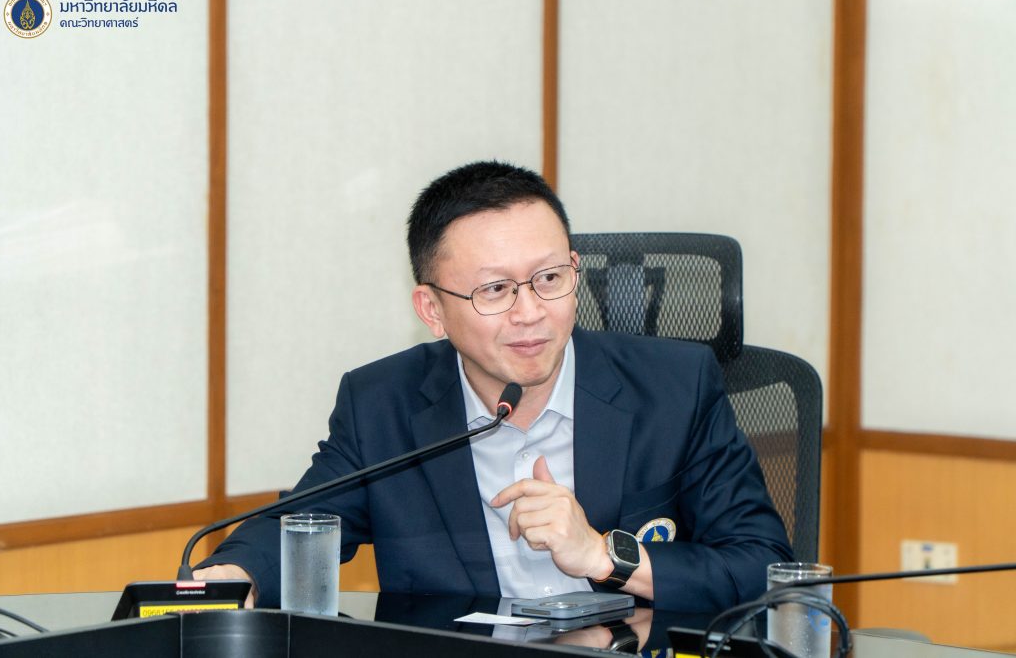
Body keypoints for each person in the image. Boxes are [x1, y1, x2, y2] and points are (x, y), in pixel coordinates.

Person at [194, 160, 792, 611]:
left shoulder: (674, 389)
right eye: (495, 290)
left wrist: (602, 554)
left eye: (549, 278)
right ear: (432, 310)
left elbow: (764, 569)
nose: (530, 313)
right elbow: (296, 527)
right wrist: (235, 577)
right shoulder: (382, 405)